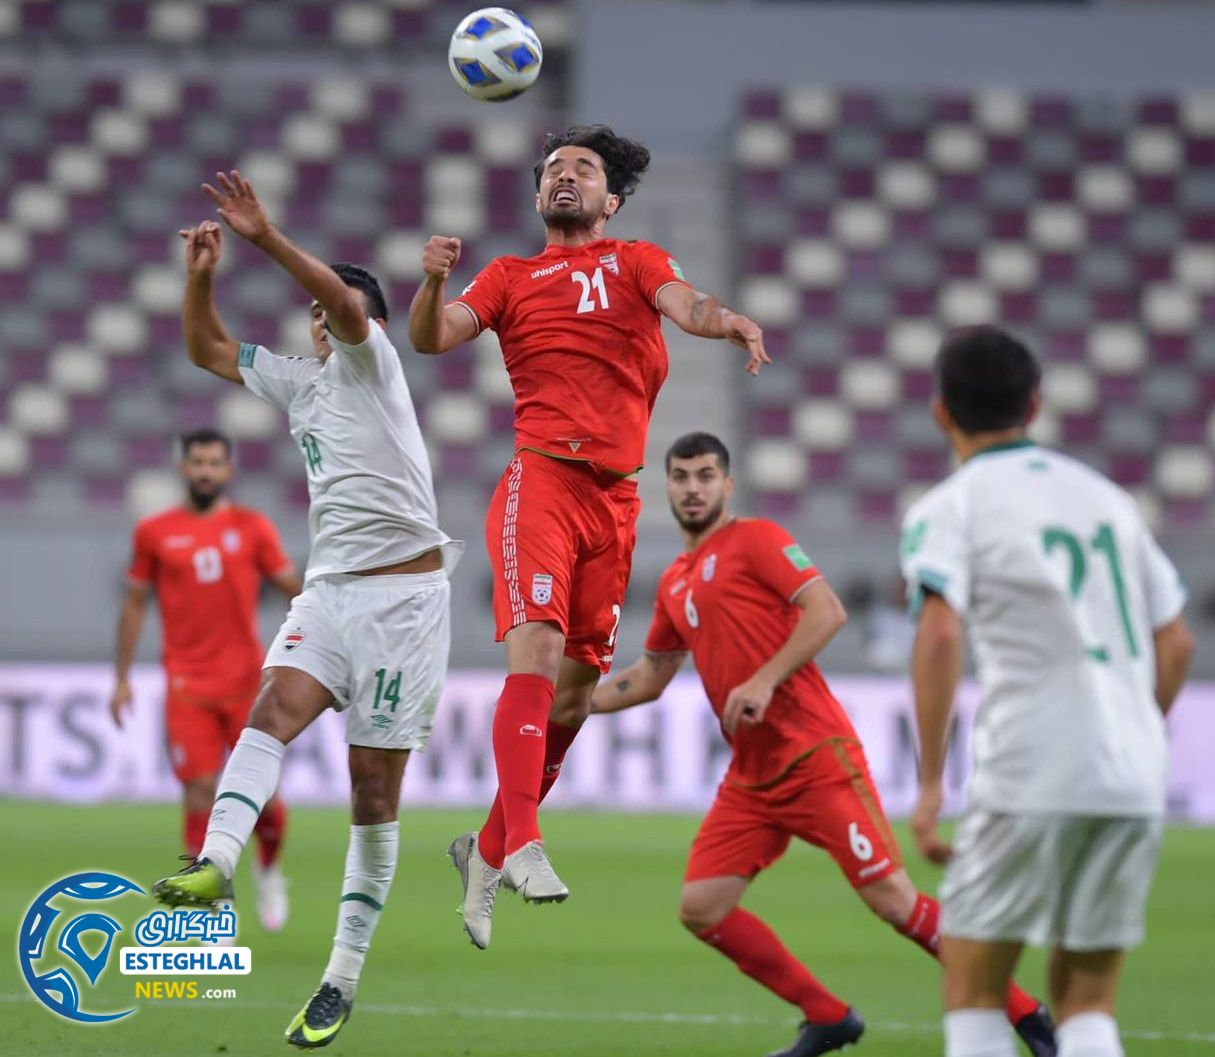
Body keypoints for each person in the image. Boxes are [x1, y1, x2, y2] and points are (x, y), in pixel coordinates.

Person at [408, 125, 769, 946]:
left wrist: (729, 320)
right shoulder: (507, 275)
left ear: (612, 200)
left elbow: (689, 305)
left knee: (572, 695)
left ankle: (486, 848)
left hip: (616, 503)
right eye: (554, 170)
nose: (565, 177)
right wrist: (431, 285)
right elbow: (433, 338)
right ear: (539, 195)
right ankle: (527, 841)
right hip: (542, 480)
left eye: (584, 170)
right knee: (534, 652)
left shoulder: (638, 261)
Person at [593, 432, 1057, 1057]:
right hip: (752, 778)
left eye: (706, 476)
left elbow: (826, 610)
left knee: (894, 903)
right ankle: (828, 1016)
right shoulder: (676, 579)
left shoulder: (755, 540)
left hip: (816, 756)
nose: (693, 488)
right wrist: (573, 701)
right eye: (681, 477)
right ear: (667, 487)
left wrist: (764, 678)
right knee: (702, 906)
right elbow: (649, 676)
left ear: (727, 485)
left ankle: (1029, 1014)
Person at [151, 171, 460, 1049]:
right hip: (329, 592)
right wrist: (203, 274)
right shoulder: (301, 382)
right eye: (318, 313)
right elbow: (208, 351)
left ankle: (340, 976)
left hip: (405, 603)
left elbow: (341, 298)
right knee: (272, 710)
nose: (324, 318)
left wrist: (266, 237)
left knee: (372, 793)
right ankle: (216, 861)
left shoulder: (373, 362)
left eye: (337, 308)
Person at [902, 326, 1195, 1057]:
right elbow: (1177, 640)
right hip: (1129, 776)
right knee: (1089, 1001)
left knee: (973, 991)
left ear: (941, 412)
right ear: (1035, 402)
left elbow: (939, 636)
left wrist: (932, 783)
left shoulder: (950, 506)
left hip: (1029, 768)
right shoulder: (1108, 500)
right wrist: (1136, 727)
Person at [112, 428, 300, 932]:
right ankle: (213, 893)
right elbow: (134, 604)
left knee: (263, 799)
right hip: (186, 686)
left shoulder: (253, 528)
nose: (205, 471)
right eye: (197, 462)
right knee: (198, 789)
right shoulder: (154, 532)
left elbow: (293, 589)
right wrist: (122, 678)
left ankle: (269, 867)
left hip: (247, 685)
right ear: (183, 467)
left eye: (215, 463)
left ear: (228, 470)